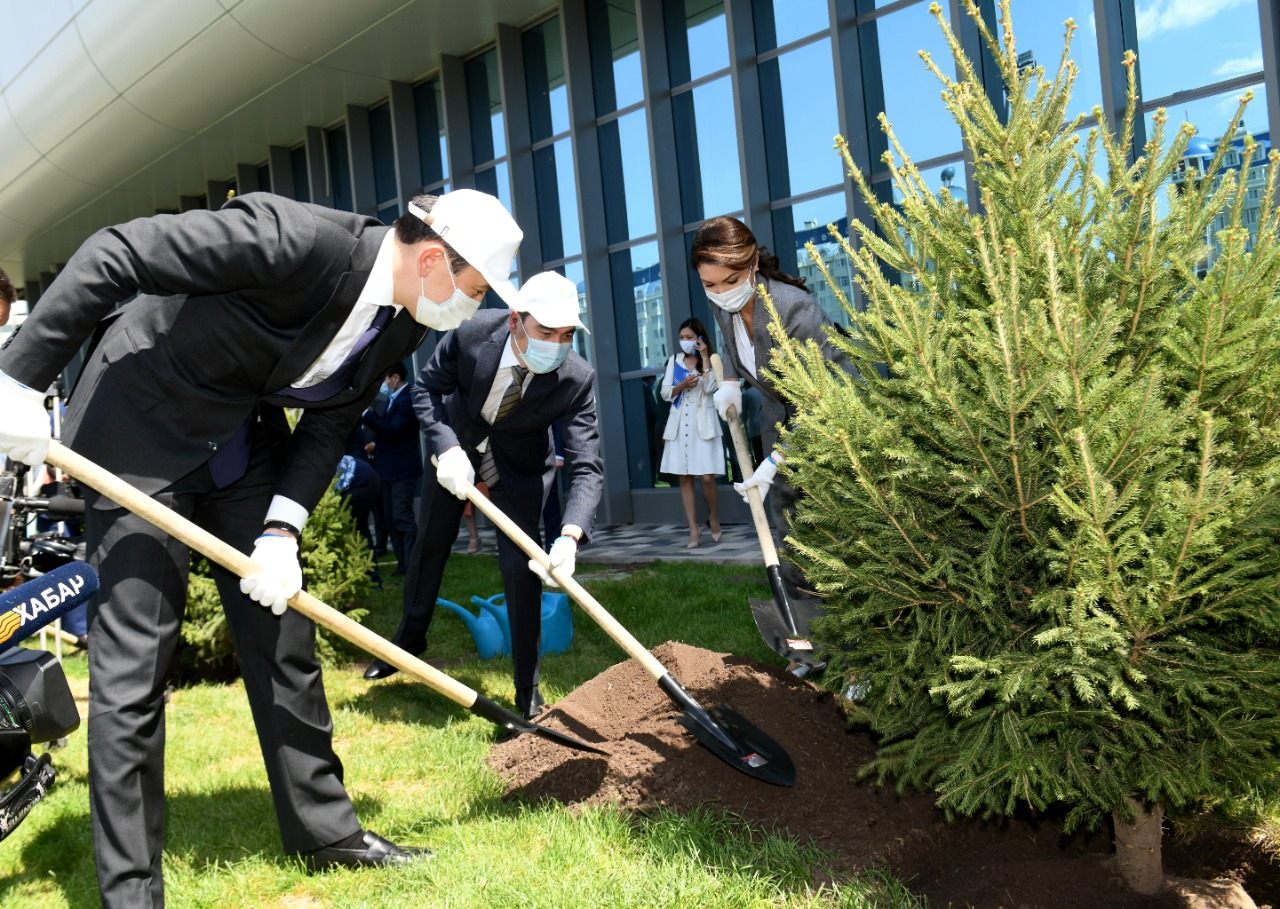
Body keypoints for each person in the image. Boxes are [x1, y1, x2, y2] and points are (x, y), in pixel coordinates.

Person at [0, 187, 523, 906]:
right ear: (433, 258)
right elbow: (117, 251)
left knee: (283, 636)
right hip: (140, 428)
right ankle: (130, 888)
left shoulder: (403, 321)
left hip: (239, 446)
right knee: (134, 666)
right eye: (473, 290)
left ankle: (324, 830)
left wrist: (283, 528)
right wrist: (16, 378)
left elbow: (331, 423)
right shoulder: (295, 238)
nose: (474, 308)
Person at [364, 272, 603, 727]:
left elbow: (587, 463)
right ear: (516, 321)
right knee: (429, 547)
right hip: (456, 454)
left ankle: (528, 691)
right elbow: (425, 389)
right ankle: (408, 642)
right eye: (545, 332)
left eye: (567, 335)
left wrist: (570, 535)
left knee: (521, 569)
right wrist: (446, 445)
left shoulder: (576, 378)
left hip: (520, 470)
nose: (556, 344)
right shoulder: (473, 333)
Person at [691, 214, 855, 599]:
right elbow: (730, 337)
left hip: (835, 430)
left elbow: (826, 395)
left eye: (731, 281)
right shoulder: (723, 302)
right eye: (709, 285)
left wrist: (778, 458)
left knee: (831, 535)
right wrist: (729, 380)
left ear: (751, 266)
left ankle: (847, 640)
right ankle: (806, 640)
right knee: (787, 532)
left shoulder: (795, 309)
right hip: (778, 423)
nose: (721, 292)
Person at [658, 318, 723, 548]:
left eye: (689, 337)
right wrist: (682, 384)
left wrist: (704, 358)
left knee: (707, 477)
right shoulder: (674, 361)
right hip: (679, 424)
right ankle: (693, 530)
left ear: (700, 338)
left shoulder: (713, 360)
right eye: (682, 337)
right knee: (684, 478)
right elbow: (666, 393)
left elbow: (711, 388)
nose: (684, 341)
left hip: (702, 424)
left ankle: (713, 517)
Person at [361, 360, 421, 575]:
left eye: (385, 378)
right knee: (390, 519)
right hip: (387, 468)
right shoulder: (392, 399)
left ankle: (414, 565)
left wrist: (367, 415)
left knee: (402, 517)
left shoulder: (407, 398)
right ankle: (402, 565)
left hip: (402, 469)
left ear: (395, 378)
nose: (383, 383)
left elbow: (394, 430)